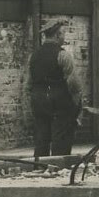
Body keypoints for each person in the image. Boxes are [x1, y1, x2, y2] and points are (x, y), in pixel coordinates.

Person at [27, 22, 78, 160]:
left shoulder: (34, 56)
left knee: (41, 137)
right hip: (59, 100)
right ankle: (58, 166)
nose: (64, 36)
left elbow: (29, 82)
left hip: (38, 99)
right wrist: (77, 103)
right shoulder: (63, 55)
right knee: (61, 136)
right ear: (57, 35)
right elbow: (73, 83)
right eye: (63, 33)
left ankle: (40, 165)